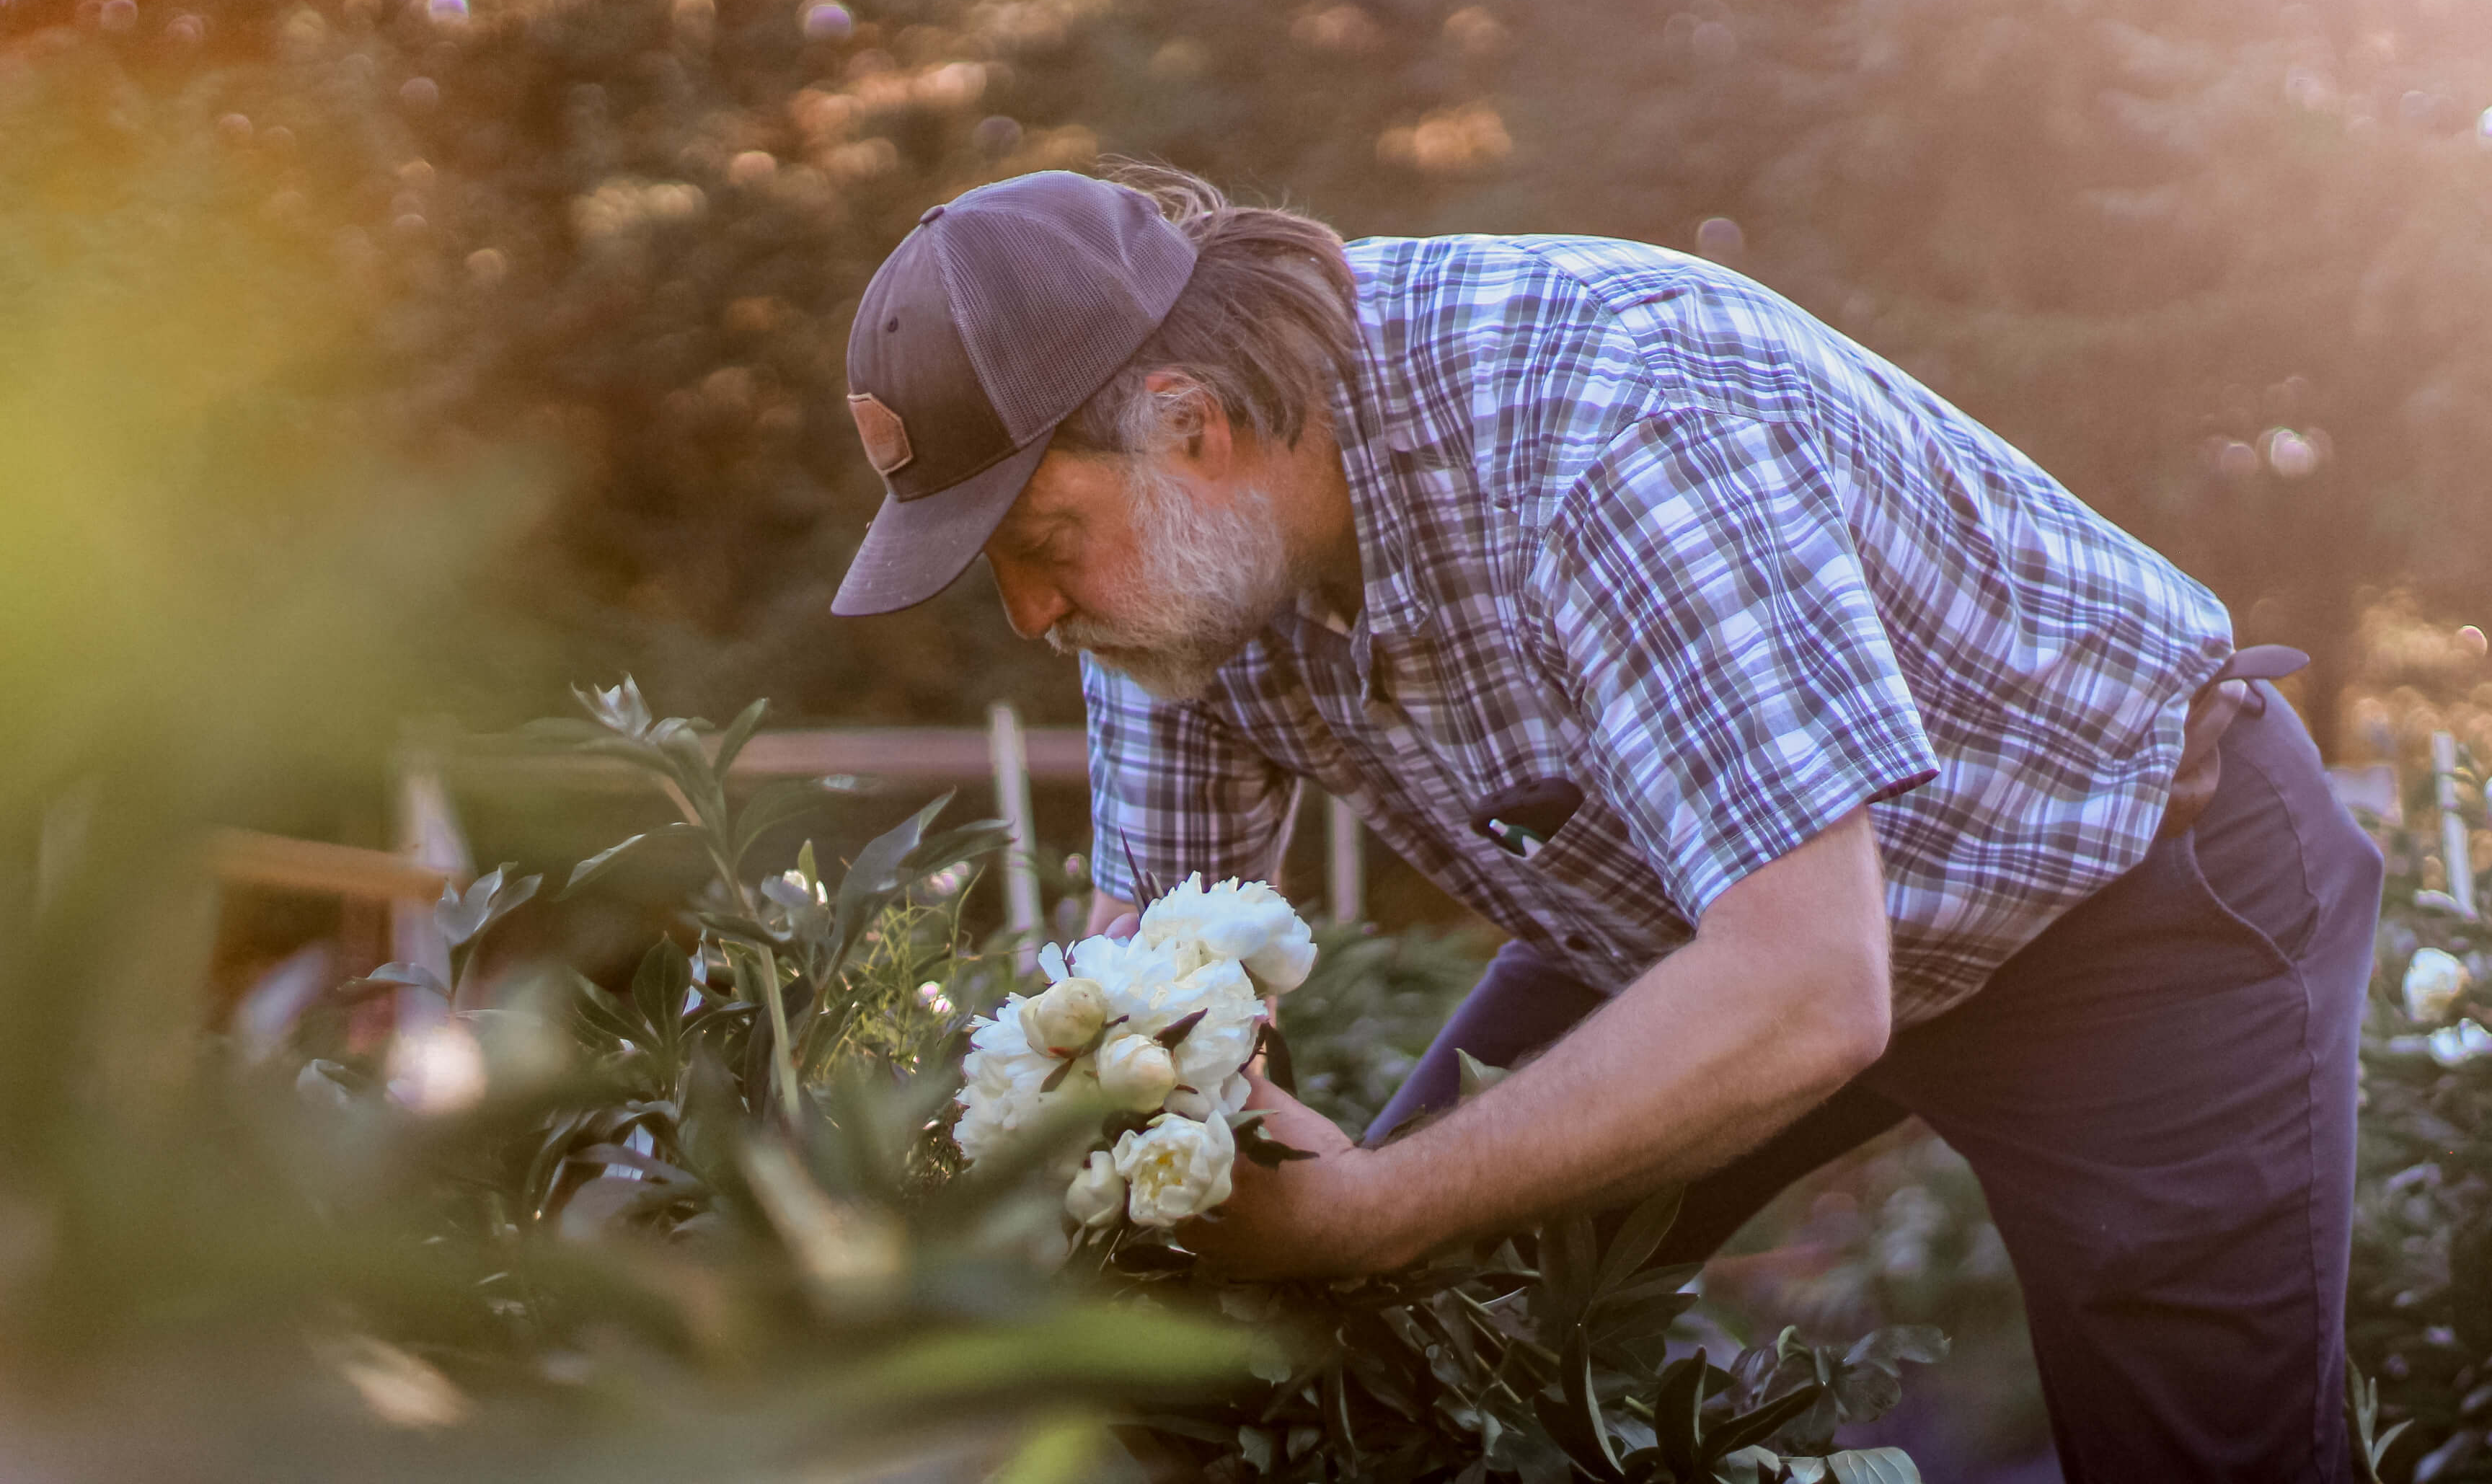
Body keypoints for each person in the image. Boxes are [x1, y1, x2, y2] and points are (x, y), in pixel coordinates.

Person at [830, 164, 2382, 1482]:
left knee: (2200, 1453)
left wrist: (1363, 1208)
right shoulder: (1173, 579)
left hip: (2121, 896)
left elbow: (1805, 990)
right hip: (1689, 919)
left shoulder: (1609, 421)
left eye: (1045, 544)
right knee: (1396, 1375)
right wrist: (1114, 1169)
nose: (1034, 613)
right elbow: (1159, 963)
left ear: (1189, 426)